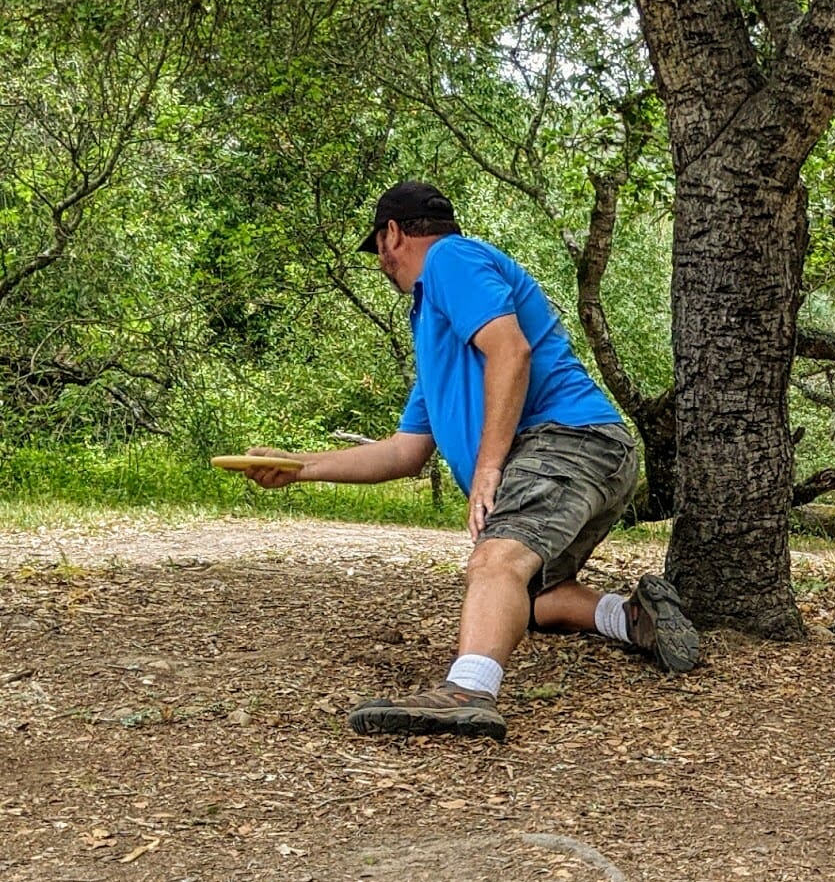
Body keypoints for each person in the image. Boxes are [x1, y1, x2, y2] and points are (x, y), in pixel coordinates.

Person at [243, 181, 697, 741]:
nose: (382, 265)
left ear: (392, 235)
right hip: (596, 453)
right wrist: (297, 466)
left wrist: (488, 468)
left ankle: (468, 692)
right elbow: (405, 451)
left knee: (495, 561)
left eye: (379, 249)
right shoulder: (439, 337)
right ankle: (631, 617)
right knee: (526, 598)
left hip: (567, 441)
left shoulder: (450, 259)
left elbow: (511, 350)